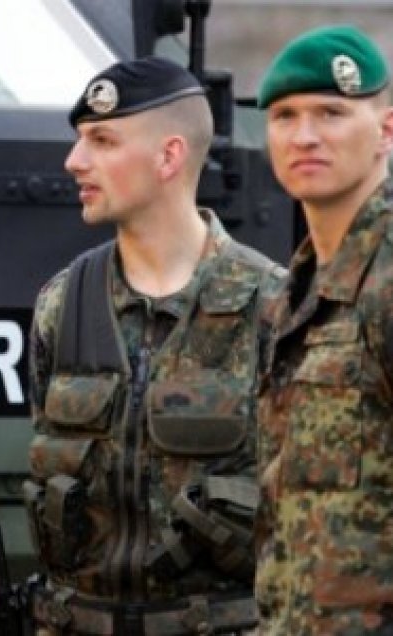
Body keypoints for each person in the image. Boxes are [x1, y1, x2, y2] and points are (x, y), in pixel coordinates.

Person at [23, 56, 285, 635]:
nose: (74, 160)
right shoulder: (63, 305)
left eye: (102, 141)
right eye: (80, 139)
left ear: (169, 156)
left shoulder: (271, 307)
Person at [255, 25, 393, 634]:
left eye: (331, 113)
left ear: (386, 131)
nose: (304, 136)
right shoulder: (294, 293)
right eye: (284, 116)